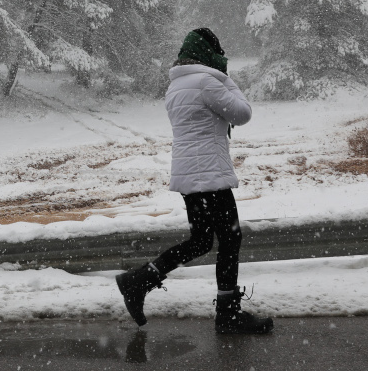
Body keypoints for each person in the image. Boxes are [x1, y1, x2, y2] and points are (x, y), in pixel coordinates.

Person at [115, 27, 273, 335]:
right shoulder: (206, 82)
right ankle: (227, 315)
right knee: (230, 238)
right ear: (208, 55)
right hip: (209, 174)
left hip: (190, 175)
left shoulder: (176, 86)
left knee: (201, 241)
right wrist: (227, 80)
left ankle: (139, 281)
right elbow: (242, 113)